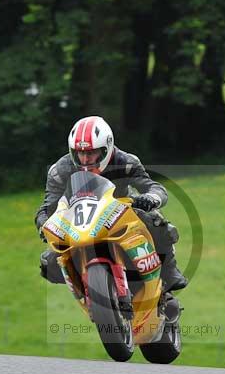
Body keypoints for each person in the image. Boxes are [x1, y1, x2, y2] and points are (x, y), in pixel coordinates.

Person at [35, 115, 188, 296]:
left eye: (91, 153)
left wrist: (150, 198)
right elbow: (48, 207)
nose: (85, 159)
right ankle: (85, 291)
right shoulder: (60, 170)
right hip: (79, 222)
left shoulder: (126, 161)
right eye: (80, 153)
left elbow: (155, 187)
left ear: (106, 148)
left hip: (121, 214)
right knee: (49, 263)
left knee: (157, 221)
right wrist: (44, 225)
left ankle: (169, 272)